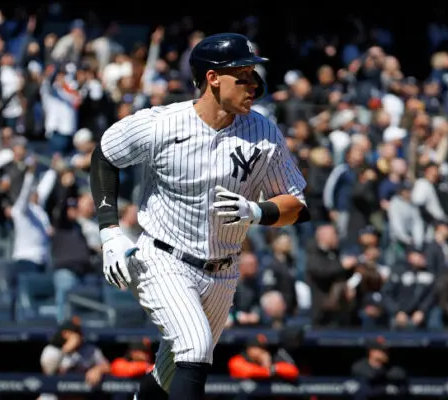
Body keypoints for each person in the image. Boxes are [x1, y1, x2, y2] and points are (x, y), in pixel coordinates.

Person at [90, 32, 310, 400]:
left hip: (223, 270)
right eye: (243, 75)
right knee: (195, 347)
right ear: (212, 78)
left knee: (170, 370)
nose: (254, 84)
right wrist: (109, 231)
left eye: (254, 75)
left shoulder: (264, 131)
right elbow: (105, 155)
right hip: (164, 258)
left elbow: (297, 205)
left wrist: (257, 210)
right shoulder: (161, 123)